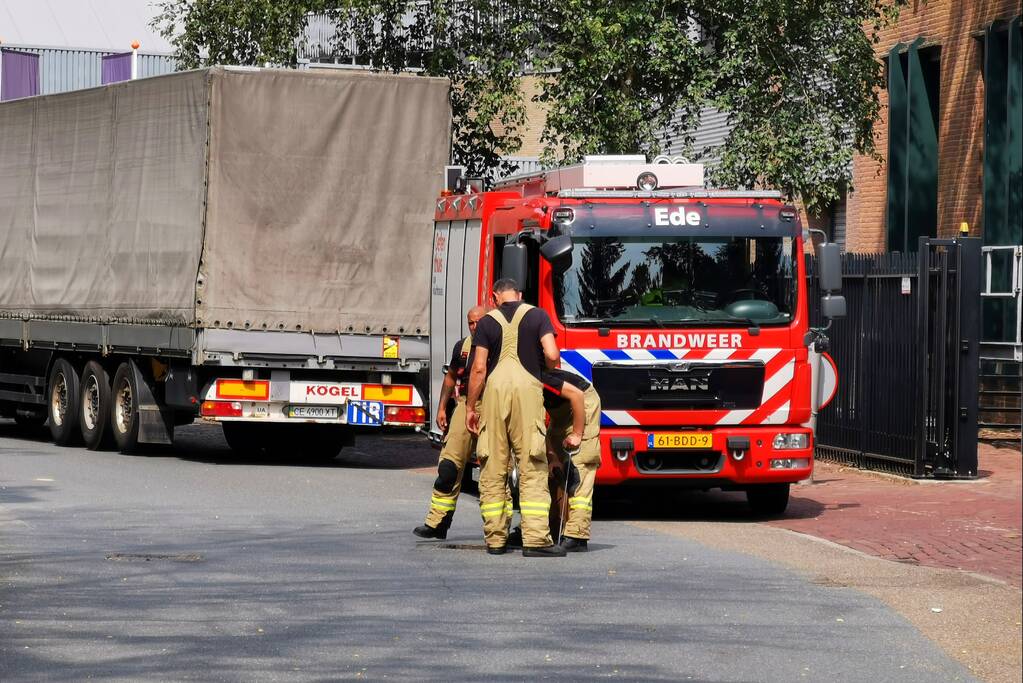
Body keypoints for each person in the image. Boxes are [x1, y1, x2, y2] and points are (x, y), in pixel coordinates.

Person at [466, 278, 563, 557]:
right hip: (527, 392)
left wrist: (472, 407)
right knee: (532, 463)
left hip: (494, 393)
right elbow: (552, 354)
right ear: (519, 294)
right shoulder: (538, 315)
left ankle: (496, 540)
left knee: (493, 465)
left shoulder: (486, 323)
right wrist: (547, 370)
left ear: (495, 297)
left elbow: (479, 369)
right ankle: (535, 540)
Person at [413, 306, 488, 540]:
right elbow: (451, 376)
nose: (474, 327)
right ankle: (437, 523)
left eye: (478, 322)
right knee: (448, 467)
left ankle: (498, 531)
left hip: (493, 404)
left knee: (496, 472)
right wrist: (442, 407)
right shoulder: (463, 347)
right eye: (471, 323)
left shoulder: (499, 346)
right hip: (465, 403)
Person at [542, 368, 602, 552]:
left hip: (582, 401)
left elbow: (577, 396)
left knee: (579, 468)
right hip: (559, 410)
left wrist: (577, 434)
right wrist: (552, 457)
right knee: (545, 468)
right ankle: (546, 529)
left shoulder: (537, 378)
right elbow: (536, 428)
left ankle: (577, 535)